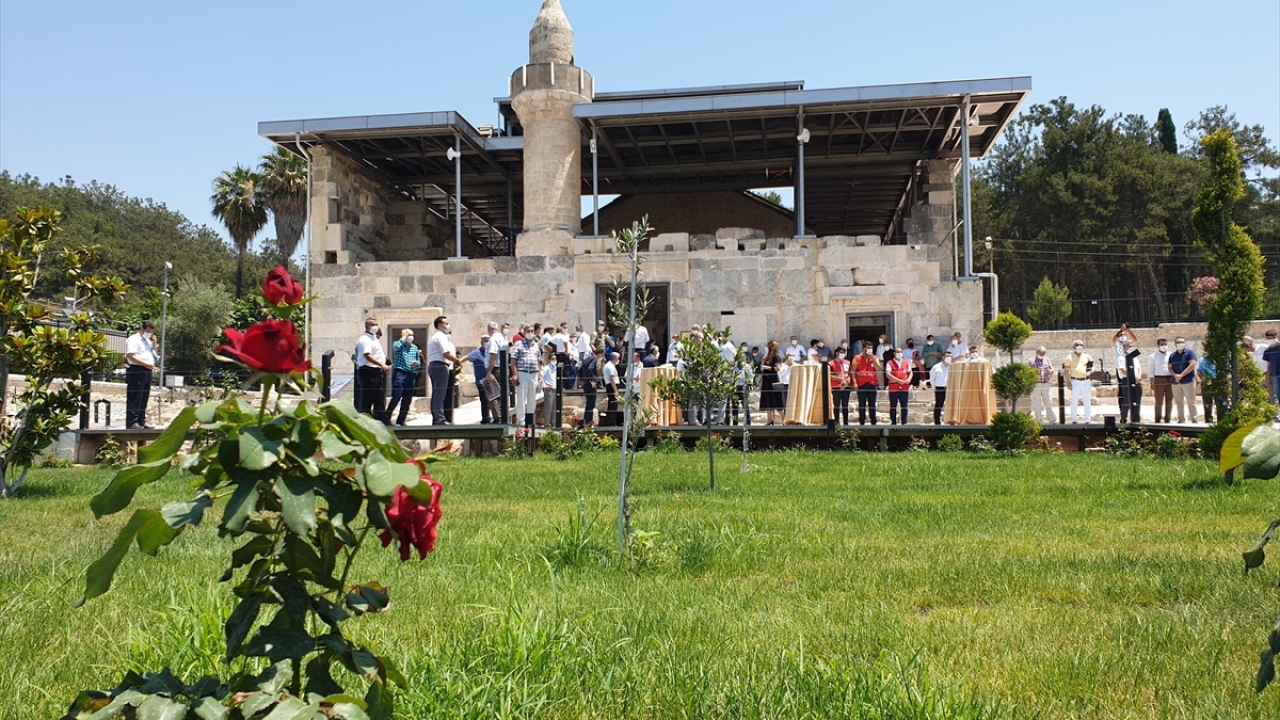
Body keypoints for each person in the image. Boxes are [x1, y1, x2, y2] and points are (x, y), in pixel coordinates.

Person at [355, 318, 391, 423]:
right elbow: (367, 355)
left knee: (379, 397)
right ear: (367, 326)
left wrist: (378, 328)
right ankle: (363, 421)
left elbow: (380, 334)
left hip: (376, 372)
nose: (376, 327)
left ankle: (382, 420)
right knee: (367, 398)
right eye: (373, 325)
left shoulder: (373, 337)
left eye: (377, 324)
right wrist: (382, 364)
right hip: (368, 371)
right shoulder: (365, 339)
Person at [124, 320, 158, 429]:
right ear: (142, 329)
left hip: (147, 370)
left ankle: (141, 421)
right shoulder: (134, 339)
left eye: (151, 332)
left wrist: (154, 345)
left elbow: (154, 356)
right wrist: (145, 364)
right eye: (147, 331)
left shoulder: (148, 341)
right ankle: (132, 422)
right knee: (135, 396)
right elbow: (130, 356)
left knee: (144, 396)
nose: (149, 334)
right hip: (136, 370)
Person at [386, 328, 423, 426]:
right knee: (396, 396)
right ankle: (386, 418)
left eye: (412, 335)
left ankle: (401, 420)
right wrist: (403, 336)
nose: (410, 337)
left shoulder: (414, 348)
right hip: (400, 374)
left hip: (411, 375)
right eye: (409, 335)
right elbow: (396, 347)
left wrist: (417, 363)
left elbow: (419, 362)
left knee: (407, 399)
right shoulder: (398, 344)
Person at [426, 316, 459, 425]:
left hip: (433, 365)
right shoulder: (440, 336)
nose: (448, 325)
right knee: (440, 394)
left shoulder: (433, 337)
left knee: (436, 393)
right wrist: (457, 361)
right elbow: (446, 353)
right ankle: (439, 418)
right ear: (440, 325)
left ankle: (436, 418)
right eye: (446, 323)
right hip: (440, 365)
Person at [510, 326, 541, 430]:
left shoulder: (536, 346)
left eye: (532, 331)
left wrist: (540, 374)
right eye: (528, 331)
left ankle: (530, 420)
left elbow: (539, 361)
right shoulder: (518, 344)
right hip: (522, 372)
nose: (530, 333)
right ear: (524, 332)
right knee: (521, 398)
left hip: (534, 373)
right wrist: (514, 374)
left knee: (532, 398)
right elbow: (513, 360)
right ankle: (521, 421)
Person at [1169, 336, 1198, 423]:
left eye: (1182, 342)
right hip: (1175, 382)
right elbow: (1170, 367)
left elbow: (1192, 364)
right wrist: (1175, 376)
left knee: (1191, 401)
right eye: (1178, 342)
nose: (1180, 344)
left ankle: (1194, 419)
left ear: (1185, 343)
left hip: (1188, 381)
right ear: (1175, 344)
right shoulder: (1172, 355)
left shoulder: (1190, 353)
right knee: (1178, 401)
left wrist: (1181, 375)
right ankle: (1181, 419)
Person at [1063, 340, 1093, 424]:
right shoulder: (1069, 357)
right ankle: (1074, 420)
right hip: (1075, 381)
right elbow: (1066, 371)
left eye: (1081, 345)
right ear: (1073, 347)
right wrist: (1068, 382)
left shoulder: (1087, 356)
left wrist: (1090, 372)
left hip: (1086, 381)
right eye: (1077, 345)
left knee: (1087, 401)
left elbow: (1093, 367)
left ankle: (1087, 419)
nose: (1079, 346)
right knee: (1074, 401)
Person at [466, 336, 492, 425]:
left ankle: (496, 418)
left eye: (489, 341)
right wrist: (456, 364)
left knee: (494, 400)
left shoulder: (492, 353)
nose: (487, 343)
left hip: (491, 380)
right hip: (481, 380)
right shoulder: (476, 353)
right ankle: (486, 419)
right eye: (486, 341)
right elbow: (465, 358)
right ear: (482, 343)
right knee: (484, 399)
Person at [854, 344, 880, 425]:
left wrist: (873, 359)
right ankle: (862, 421)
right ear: (864, 348)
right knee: (862, 404)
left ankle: (873, 421)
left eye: (871, 348)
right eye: (868, 348)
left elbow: (878, 369)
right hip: (861, 384)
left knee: (872, 403)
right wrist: (854, 382)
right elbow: (852, 371)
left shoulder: (875, 357)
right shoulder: (857, 358)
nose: (870, 350)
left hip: (872, 383)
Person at [759, 341, 784, 425]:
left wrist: (768, 367)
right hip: (766, 380)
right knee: (767, 400)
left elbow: (778, 368)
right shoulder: (766, 357)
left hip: (773, 380)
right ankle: (769, 420)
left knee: (777, 400)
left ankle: (784, 419)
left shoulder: (776, 357)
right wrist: (763, 363)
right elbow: (762, 369)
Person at [1117, 339, 1142, 423]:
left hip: (1136, 380)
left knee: (1137, 399)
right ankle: (1123, 417)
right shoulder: (1121, 357)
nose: (1131, 348)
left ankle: (1136, 417)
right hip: (1127, 380)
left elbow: (1139, 368)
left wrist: (1138, 376)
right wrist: (1133, 377)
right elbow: (1123, 370)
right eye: (1129, 346)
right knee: (1127, 399)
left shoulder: (1135, 358)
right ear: (1124, 347)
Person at [1149, 338, 1173, 423]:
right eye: (1162, 344)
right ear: (1158, 346)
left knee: (1169, 400)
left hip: (1169, 379)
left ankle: (1168, 418)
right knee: (1158, 400)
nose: (1164, 346)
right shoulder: (1153, 356)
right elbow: (1151, 370)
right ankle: (1157, 418)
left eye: (1165, 344)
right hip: (1158, 379)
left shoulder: (1171, 355)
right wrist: (1152, 382)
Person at [1029, 346, 1055, 424]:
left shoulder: (1047, 359)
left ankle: (1052, 420)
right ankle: (1039, 421)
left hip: (1046, 383)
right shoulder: (1031, 360)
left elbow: (1052, 369)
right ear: (1037, 352)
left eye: (1044, 353)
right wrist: (1036, 370)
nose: (1043, 354)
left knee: (1048, 402)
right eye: (1041, 353)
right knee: (1037, 403)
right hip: (1036, 384)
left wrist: (1049, 370)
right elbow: (1028, 370)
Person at [886, 348, 912, 425]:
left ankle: (904, 422)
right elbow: (888, 374)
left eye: (901, 352)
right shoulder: (890, 363)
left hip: (904, 388)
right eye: (897, 352)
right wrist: (898, 380)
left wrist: (909, 379)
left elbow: (910, 372)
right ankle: (893, 422)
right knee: (893, 406)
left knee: (904, 406)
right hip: (894, 388)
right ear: (894, 353)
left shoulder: (906, 362)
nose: (899, 353)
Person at [830, 346, 851, 425]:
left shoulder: (847, 362)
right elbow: (829, 375)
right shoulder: (831, 363)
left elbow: (849, 373)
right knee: (836, 404)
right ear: (836, 353)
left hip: (846, 386)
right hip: (836, 386)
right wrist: (840, 379)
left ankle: (846, 422)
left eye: (843, 352)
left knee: (845, 404)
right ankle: (837, 421)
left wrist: (848, 379)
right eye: (841, 352)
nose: (842, 354)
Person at [580, 347, 601, 426]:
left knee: (588, 402)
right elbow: (590, 368)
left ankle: (586, 419)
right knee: (591, 403)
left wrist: (583, 379)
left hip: (585, 383)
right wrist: (592, 380)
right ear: (599, 354)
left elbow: (580, 370)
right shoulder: (594, 359)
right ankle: (589, 420)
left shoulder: (587, 359)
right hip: (591, 384)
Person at [1197, 351, 1219, 424]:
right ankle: (1208, 420)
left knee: (1219, 401)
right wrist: (1202, 378)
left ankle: (1221, 419)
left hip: (1217, 382)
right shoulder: (1203, 359)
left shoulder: (1219, 358)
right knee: (1207, 402)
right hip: (1206, 382)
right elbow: (1199, 370)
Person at [930, 355, 951, 425]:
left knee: (950, 405)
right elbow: (932, 379)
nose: (948, 358)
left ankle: (950, 420)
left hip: (949, 388)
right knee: (939, 405)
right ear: (943, 357)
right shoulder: (936, 367)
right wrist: (934, 388)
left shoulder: (952, 367)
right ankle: (937, 421)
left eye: (950, 356)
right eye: (947, 356)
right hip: (940, 388)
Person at [541, 354, 558, 428]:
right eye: (552, 359)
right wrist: (544, 385)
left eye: (555, 359)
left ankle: (553, 423)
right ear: (549, 360)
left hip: (556, 389)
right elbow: (540, 377)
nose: (554, 361)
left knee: (554, 407)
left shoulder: (556, 368)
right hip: (549, 390)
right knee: (548, 407)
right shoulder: (546, 368)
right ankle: (547, 424)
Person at [603, 352, 620, 421]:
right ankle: (611, 421)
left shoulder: (608, 365)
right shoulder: (610, 366)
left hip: (609, 385)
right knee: (613, 405)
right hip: (612, 386)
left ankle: (610, 421)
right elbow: (612, 379)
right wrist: (615, 390)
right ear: (615, 358)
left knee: (611, 404)